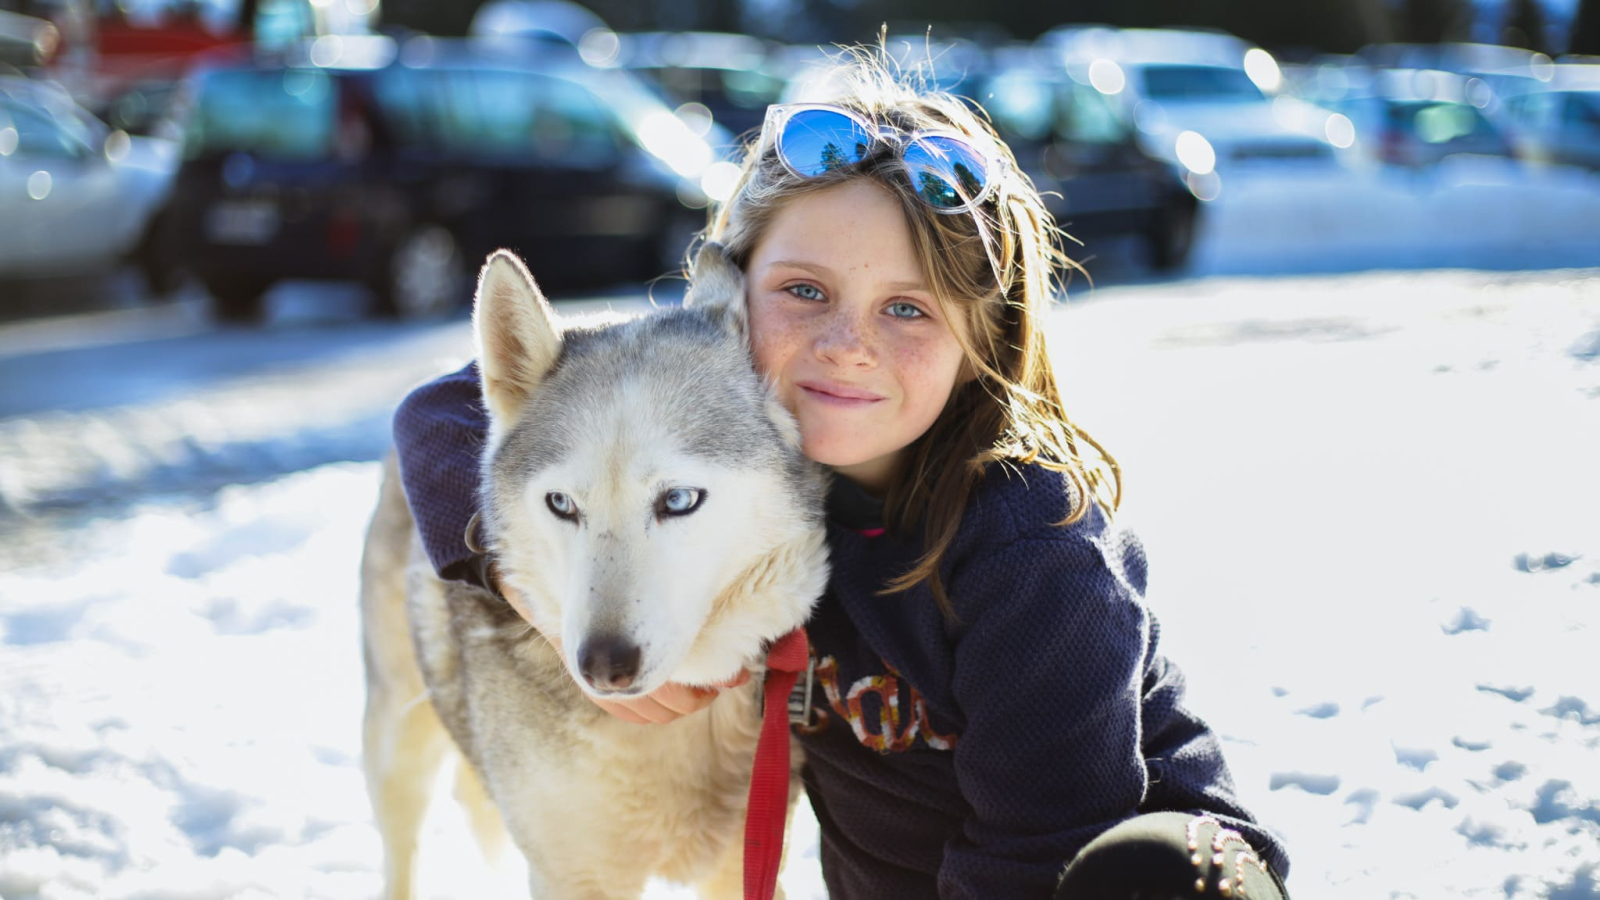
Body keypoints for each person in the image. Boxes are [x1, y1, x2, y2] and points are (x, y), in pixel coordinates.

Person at [391, 46, 1292, 900]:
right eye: (807, 292)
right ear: (731, 305)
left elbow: (1035, 853)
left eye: (907, 308)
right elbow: (441, 411)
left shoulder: (1032, 552)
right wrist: (545, 603)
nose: (846, 345)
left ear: (986, 341)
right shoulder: (755, 456)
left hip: (1124, 872)